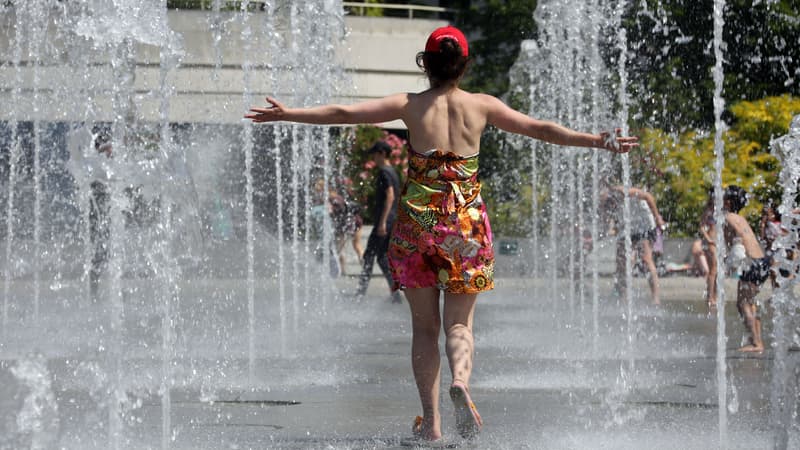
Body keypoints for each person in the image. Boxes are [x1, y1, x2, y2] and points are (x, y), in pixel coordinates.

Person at [245, 25, 636, 442]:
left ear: (424, 63)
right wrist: (597, 141)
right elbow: (541, 129)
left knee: (424, 328)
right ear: (464, 66)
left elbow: (344, 113)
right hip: (463, 226)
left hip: (420, 224)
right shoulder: (482, 106)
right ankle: (461, 382)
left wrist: (288, 114)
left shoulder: (409, 105)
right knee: (459, 326)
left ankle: (431, 423)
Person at [702, 185, 770, 352]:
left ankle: (756, 343)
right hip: (761, 261)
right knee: (750, 302)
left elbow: (731, 241)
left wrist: (728, 260)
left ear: (729, 202)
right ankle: (756, 340)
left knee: (743, 304)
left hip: (751, 263)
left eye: (723, 198)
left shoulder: (727, 217)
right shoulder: (739, 218)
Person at [352, 141, 401, 301]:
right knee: (381, 257)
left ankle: (360, 293)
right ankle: (395, 293)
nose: (373, 157)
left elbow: (391, 195)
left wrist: (382, 222)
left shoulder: (384, 173)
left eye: (374, 153)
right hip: (391, 219)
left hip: (384, 221)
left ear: (381, 153)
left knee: (369, 255)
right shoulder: (393, 171)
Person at [601, 184, 665, 305]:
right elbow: (607, 219)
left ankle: (655, 298)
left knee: (646, 259)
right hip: (628, 228)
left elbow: (648, 196)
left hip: (644, 225)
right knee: (621, 261)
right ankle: (622, 295)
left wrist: (657, 218)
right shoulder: (606, 202)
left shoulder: (624, 192)